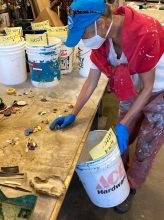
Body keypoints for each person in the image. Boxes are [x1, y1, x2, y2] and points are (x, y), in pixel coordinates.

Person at [49, 0, 164, 214]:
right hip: (131, 87)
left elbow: (147, 88)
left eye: (83, 35)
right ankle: (119, 178)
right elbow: (91, 81)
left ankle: (132, 187)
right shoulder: (101, 40)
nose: (84, 42)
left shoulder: (145, 33)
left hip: (159, 92)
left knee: (146, 146)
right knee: (120, 140)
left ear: (101, 23)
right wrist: (73, 113)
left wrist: (123, 124)